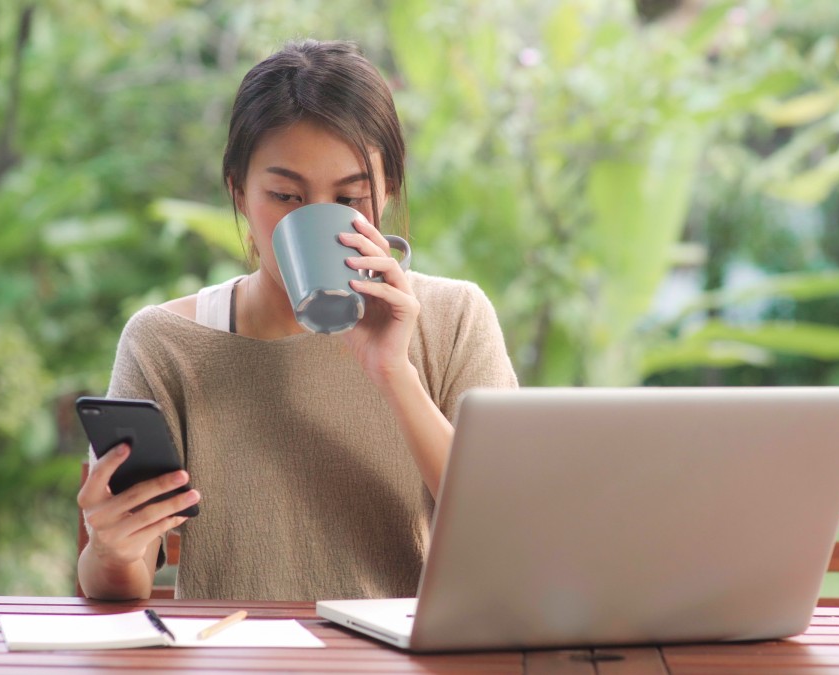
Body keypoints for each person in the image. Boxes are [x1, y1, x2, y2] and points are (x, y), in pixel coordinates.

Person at [77, 40, 518, 602]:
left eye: (351, 197)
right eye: (286, 195)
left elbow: (504, 532)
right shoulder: (168, 344)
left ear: (388, 191)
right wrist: (111, 550)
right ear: (238, 193)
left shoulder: (455, 320)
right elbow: (119, 580)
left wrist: (394, 371)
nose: (316, 222)